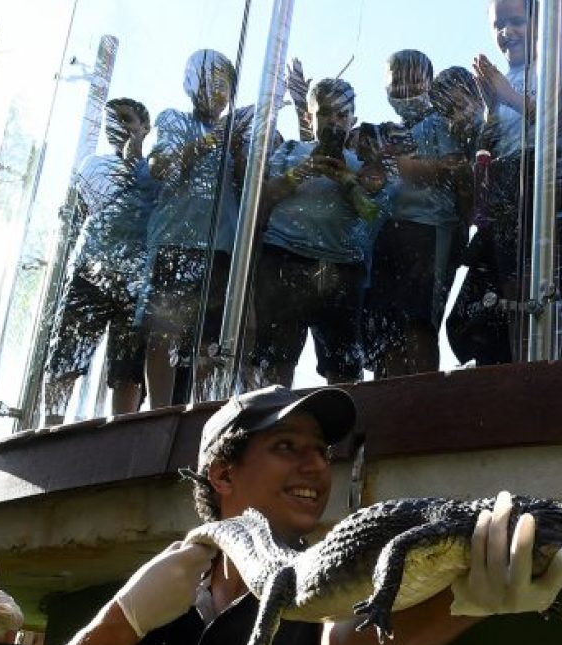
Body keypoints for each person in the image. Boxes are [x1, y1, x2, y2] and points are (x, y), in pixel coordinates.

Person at [8, 384, 562, 645]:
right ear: (223, 474)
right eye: (287, 447)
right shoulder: (157, 598)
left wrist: (468, 597)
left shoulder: (323, 576)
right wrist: (120, 621)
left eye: (320, 451)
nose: (314, 466)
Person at [472, 0, 562, 360]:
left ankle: (543, 367)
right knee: (502, 289)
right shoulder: (501, 80)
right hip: (507, 194)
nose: (506, 33)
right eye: (498, 25)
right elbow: (491, 146)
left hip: (549, 186)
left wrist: (505, 96)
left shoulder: (558, 66)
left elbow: (558, 125)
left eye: (516, 22)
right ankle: (504, 373)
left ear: (540, 24)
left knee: (544, 285)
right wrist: (491, 107)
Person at [249, 78, 385, 388]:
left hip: (342, 267)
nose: (334, 121)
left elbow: (373, 214)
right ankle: (273, 418)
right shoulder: (290, 150)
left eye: (342, 115)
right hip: (284, 259)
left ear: (353, 120)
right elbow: (264, 197)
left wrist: (346, 181)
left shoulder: (361, 164)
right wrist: (301, 172)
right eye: (325, 113)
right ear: (309, 117)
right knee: (276, 354)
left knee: (344, 361)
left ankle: (342, 428)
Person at [144, 49, 251, 407]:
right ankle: (160, 414)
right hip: (176, 240)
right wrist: (212, 139)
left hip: (222, 248)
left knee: (211, 340)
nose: (216, 91)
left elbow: (251, 191)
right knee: (164, 333)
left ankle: (203, 413)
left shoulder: (236, 133)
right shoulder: (173, 119)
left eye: (224, 85)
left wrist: (237, 150)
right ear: (191, 84)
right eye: (208, 81)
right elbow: (162, 169)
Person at [43, 98, 155, 424]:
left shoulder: (154, 171)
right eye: (112, 121)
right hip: (90, 274)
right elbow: (76, 215)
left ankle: (120, 433)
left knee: (128, 367)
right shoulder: (93, 165)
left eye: (126, 119)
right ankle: (51, 426)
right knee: (66, 352)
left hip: (135, 283)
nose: (118, 126)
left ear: (144, 127)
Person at [364, 50, 465, 378]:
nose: (405, 89)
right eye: (397, 81)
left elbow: (453, 169)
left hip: (430, 230)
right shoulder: (386, 131)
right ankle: (387, 394)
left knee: (419, 321)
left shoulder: (440, 122)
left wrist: (399, 165)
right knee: (387, 321)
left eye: (414, 80)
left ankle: (421, 394)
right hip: (390, 232)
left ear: (430, 84)